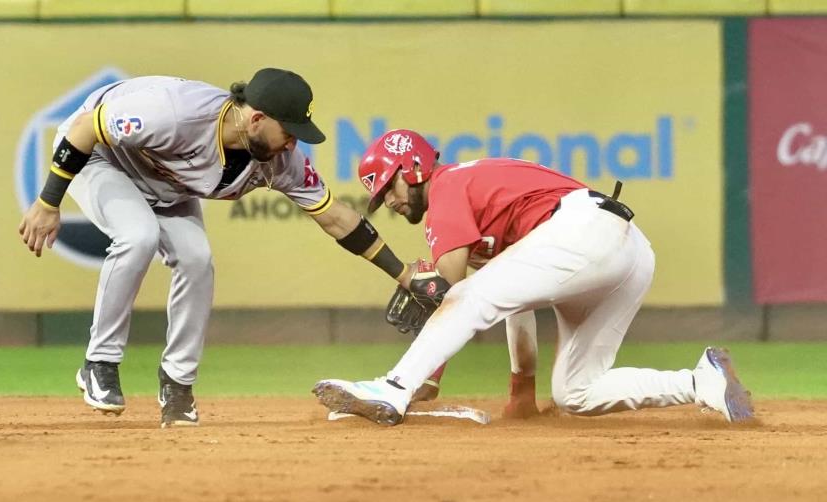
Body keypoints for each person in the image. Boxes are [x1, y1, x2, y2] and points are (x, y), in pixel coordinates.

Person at [18, 70, 437, 428]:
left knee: (197, 260)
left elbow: (335, 217)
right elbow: (85, 128)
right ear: (255, 118)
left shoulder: (279, 161)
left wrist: (405, 276)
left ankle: (178, 386)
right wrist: (48, 201)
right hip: (100, 158)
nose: (292, 144)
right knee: (138, 235)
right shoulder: (175, 112)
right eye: (288, 132)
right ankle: (100, 364)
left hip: (166, 184)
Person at [313, 129, 755, 426]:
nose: (387, 200)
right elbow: (508, 299)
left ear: (413, 169)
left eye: (390, 186)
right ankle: (702, 381)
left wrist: (422, 379)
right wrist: (520, 390)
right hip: (627, 250)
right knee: (577, 393)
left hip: (583, 231)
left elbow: (450, 291)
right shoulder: (478, 210)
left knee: (468, 294)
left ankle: (392, 388)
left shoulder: (447, 187)